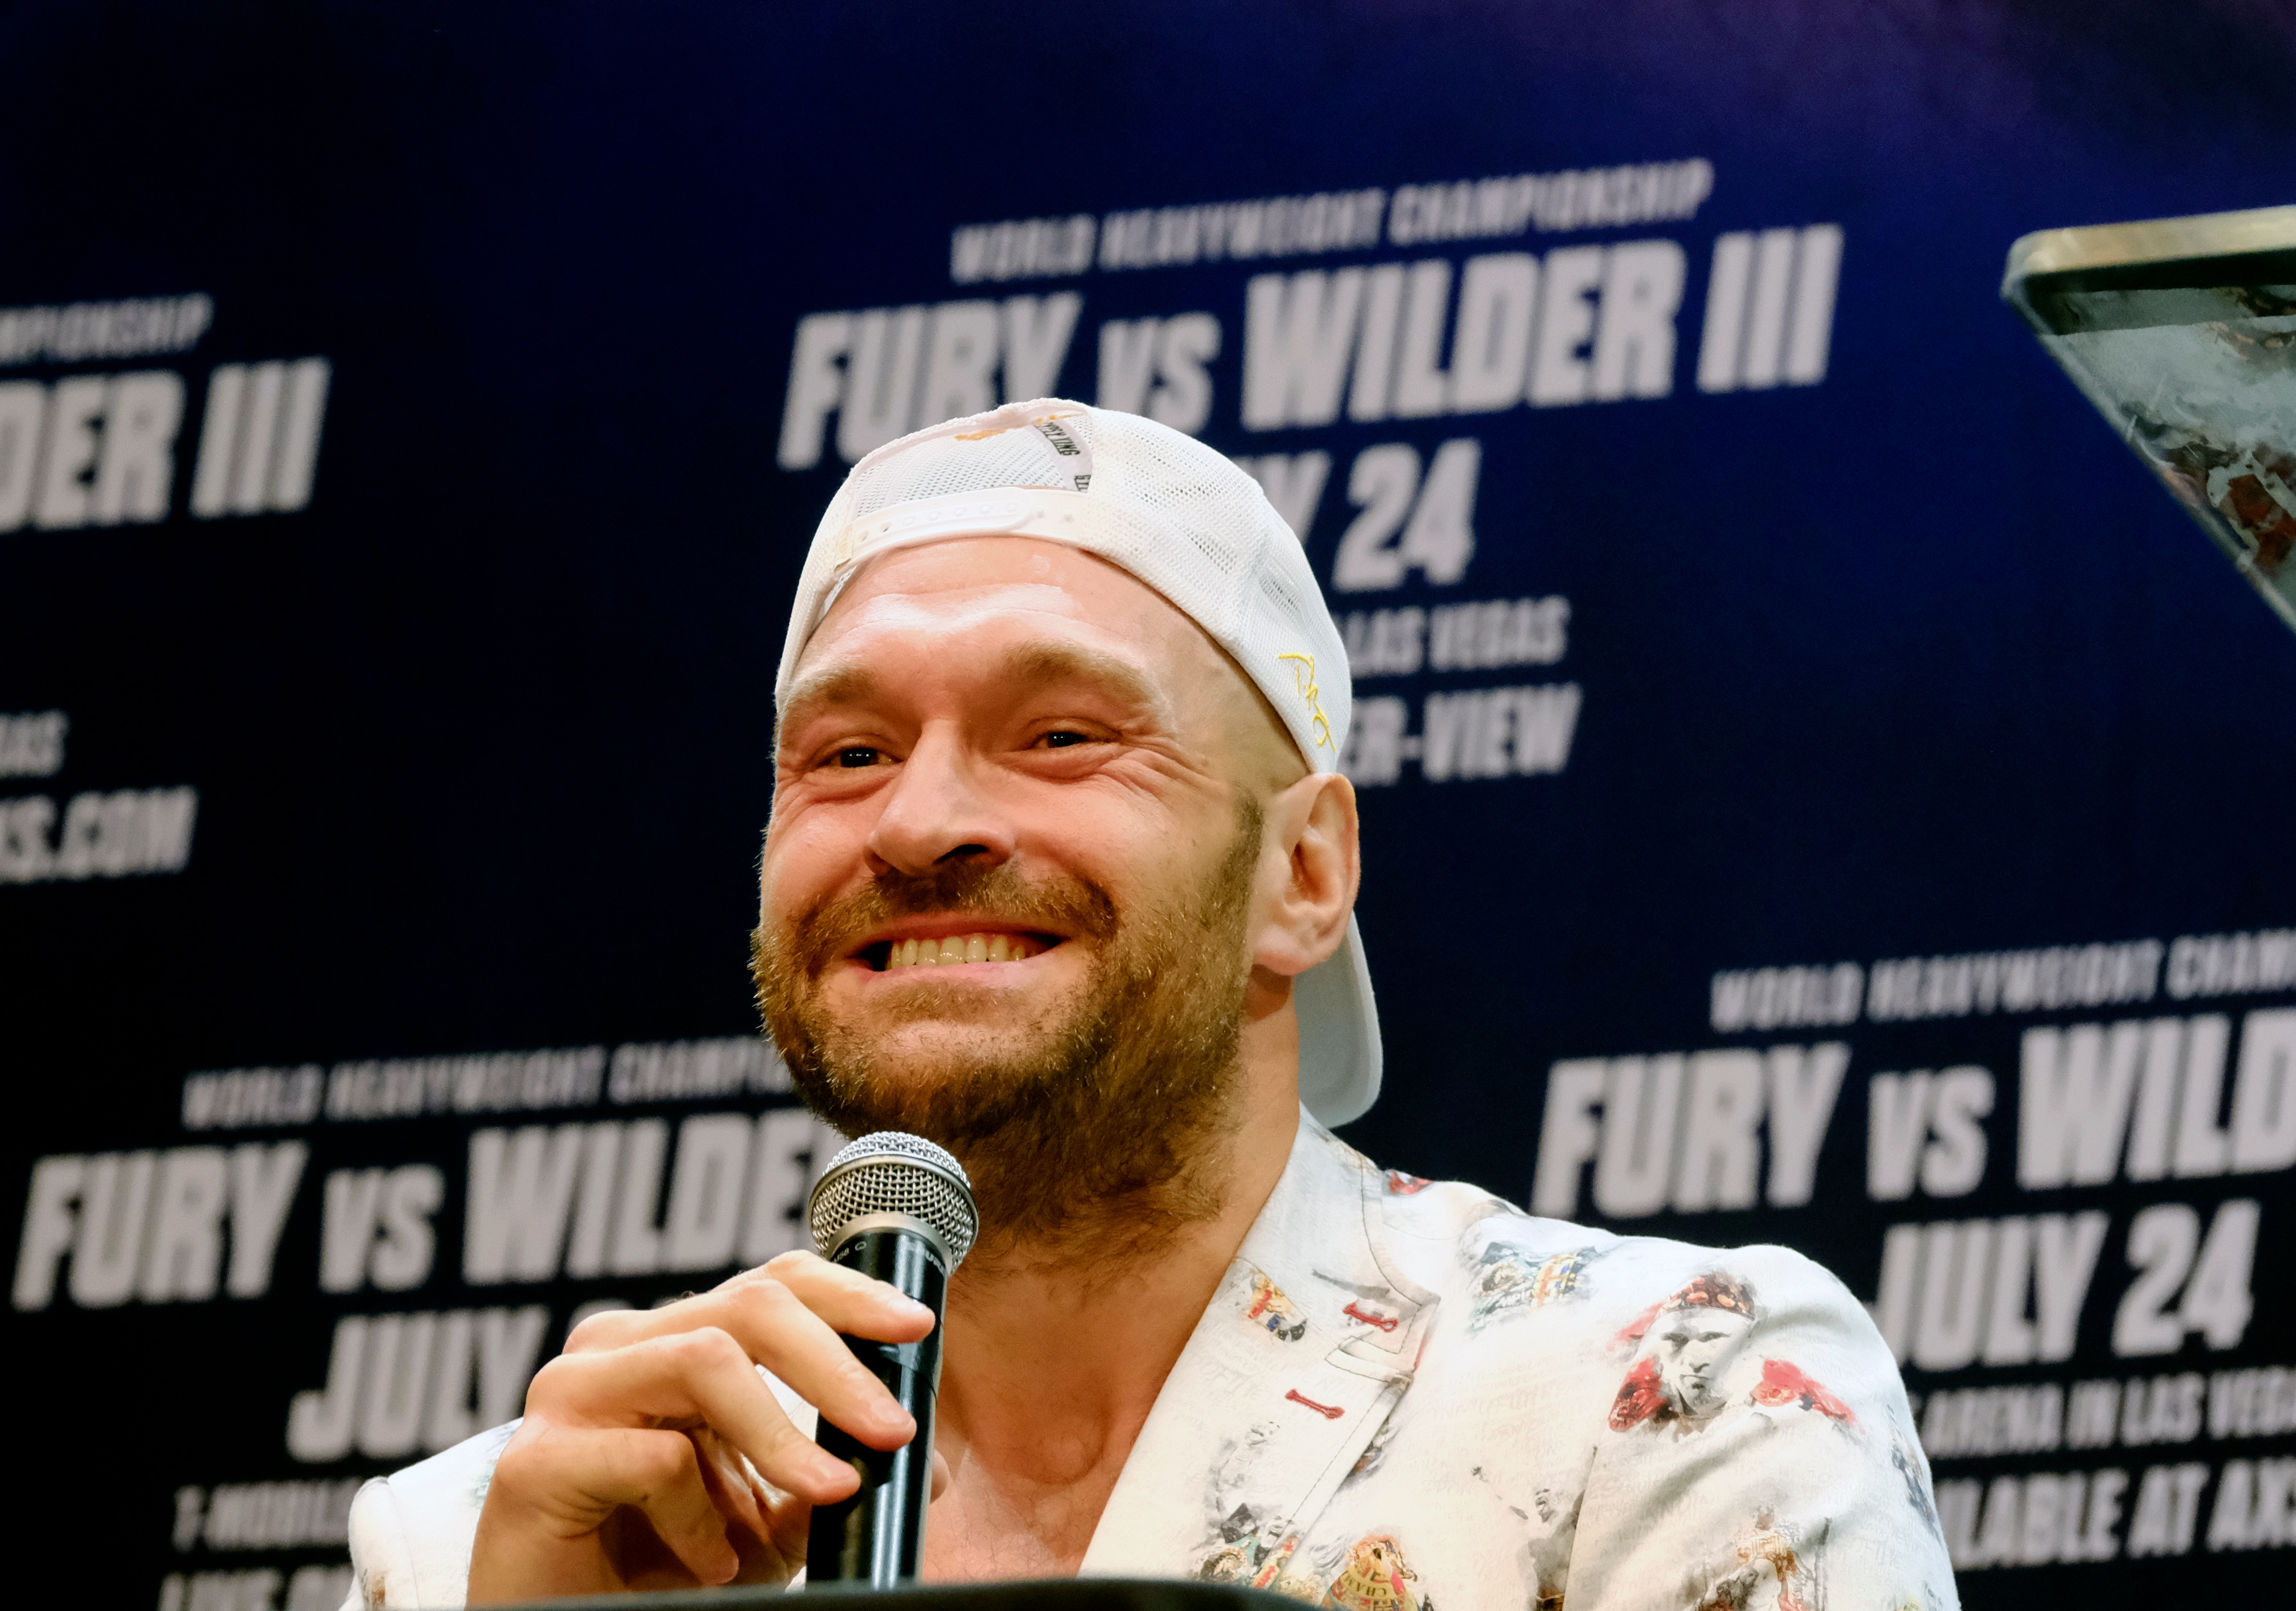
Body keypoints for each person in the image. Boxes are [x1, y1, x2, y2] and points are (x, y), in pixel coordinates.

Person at [345, 400, 1957, 1611]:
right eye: (844, 754)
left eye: (1058, 736)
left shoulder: (1662, 1396)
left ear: (1305, 873)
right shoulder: (487, 1544)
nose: (914, 824)